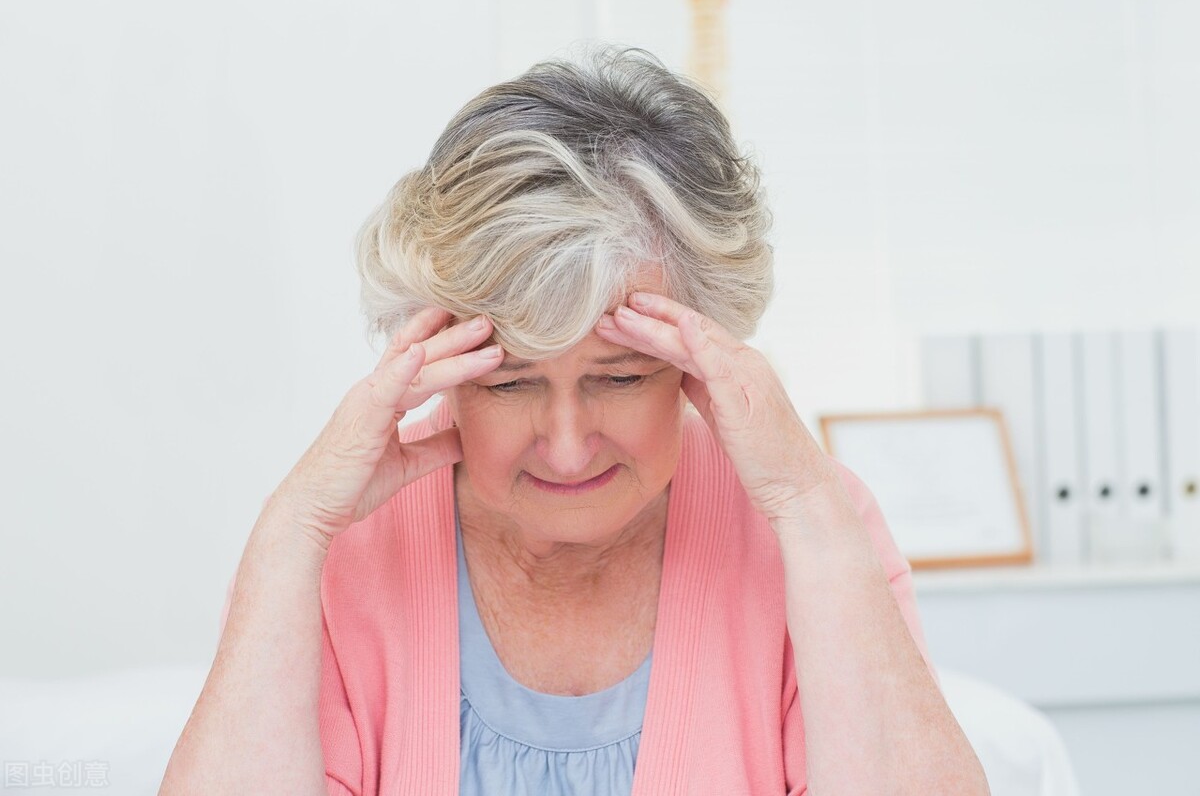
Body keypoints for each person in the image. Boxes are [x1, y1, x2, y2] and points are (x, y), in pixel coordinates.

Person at [160, 45, 989, 795]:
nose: (565, 446)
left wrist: (810, 508)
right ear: (440, 363)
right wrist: (292, 532)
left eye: (621, 376)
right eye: (509, 385)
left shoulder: (811, 524)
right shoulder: (344, 548)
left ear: (698, 360)